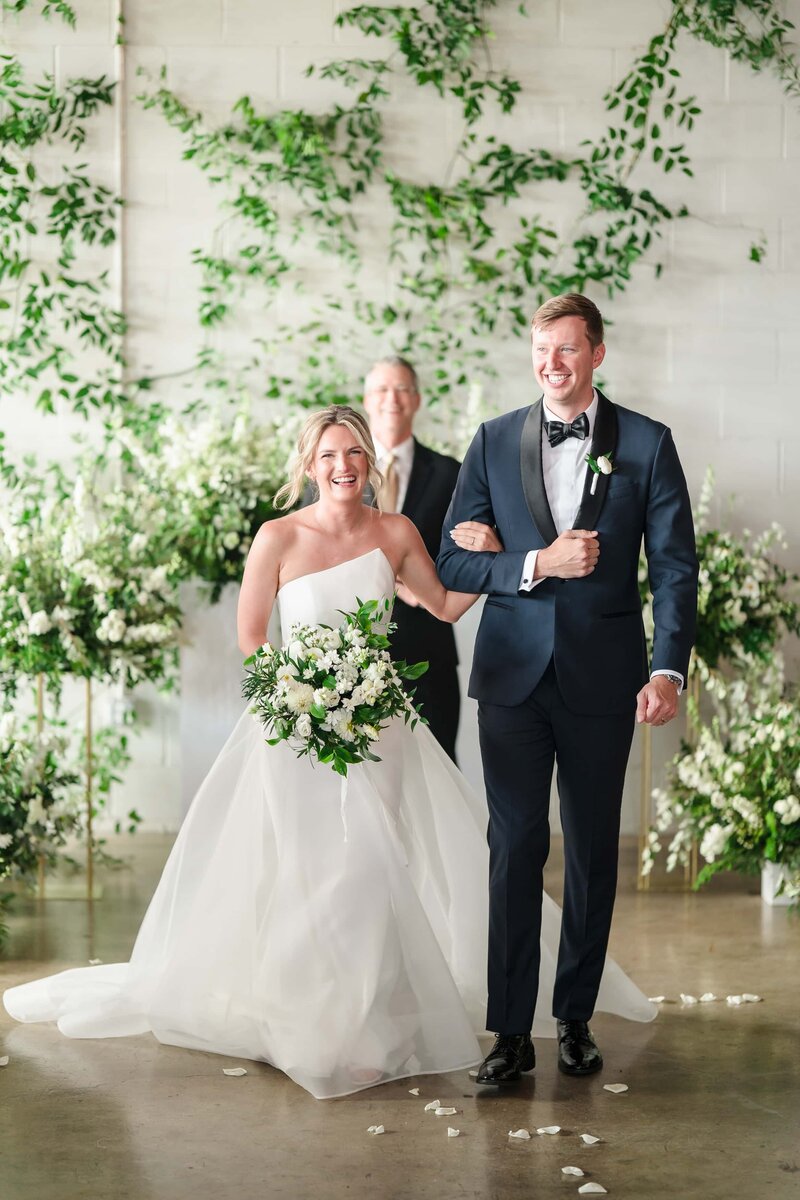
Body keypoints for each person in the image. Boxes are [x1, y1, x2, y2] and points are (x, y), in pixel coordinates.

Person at [4, 404, 657, 1100]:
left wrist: (498, 558)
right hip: (295, 728)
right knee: (312, 867)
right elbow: (253, 637)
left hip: (379, 725)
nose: (343, 467)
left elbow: (442, 606)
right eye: (328, 457)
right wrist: (298, 700)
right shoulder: (277, 537)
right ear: (308, 467)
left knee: (372, 866)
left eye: (353, 454)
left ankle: (369, 1023)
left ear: (369, 461)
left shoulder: (397, 531)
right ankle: (307, 1014)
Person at [440, 294, 697, 1085]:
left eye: (567, 349)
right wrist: (532, 564)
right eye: (540, 349)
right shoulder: (489, 442)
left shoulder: (648, 445)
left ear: (597, 354)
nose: (551, 363)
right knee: (514, 847)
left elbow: (675, 568)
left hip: (602, 674)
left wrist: (665, 667)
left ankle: (575, 1016)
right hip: (511, 678)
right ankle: (510, 1033)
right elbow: (452, 565)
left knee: (590, 848)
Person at [362, 357, 462, 760]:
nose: (392, 399)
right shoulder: (334, 472)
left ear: (417, 399)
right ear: (367, 400)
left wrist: (420, 586)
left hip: (428, 649)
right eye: (382, 390)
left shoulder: (451, 473)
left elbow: (461, 552)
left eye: (402, 389)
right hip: (350, 650)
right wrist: (392, 583)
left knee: (436, 772)